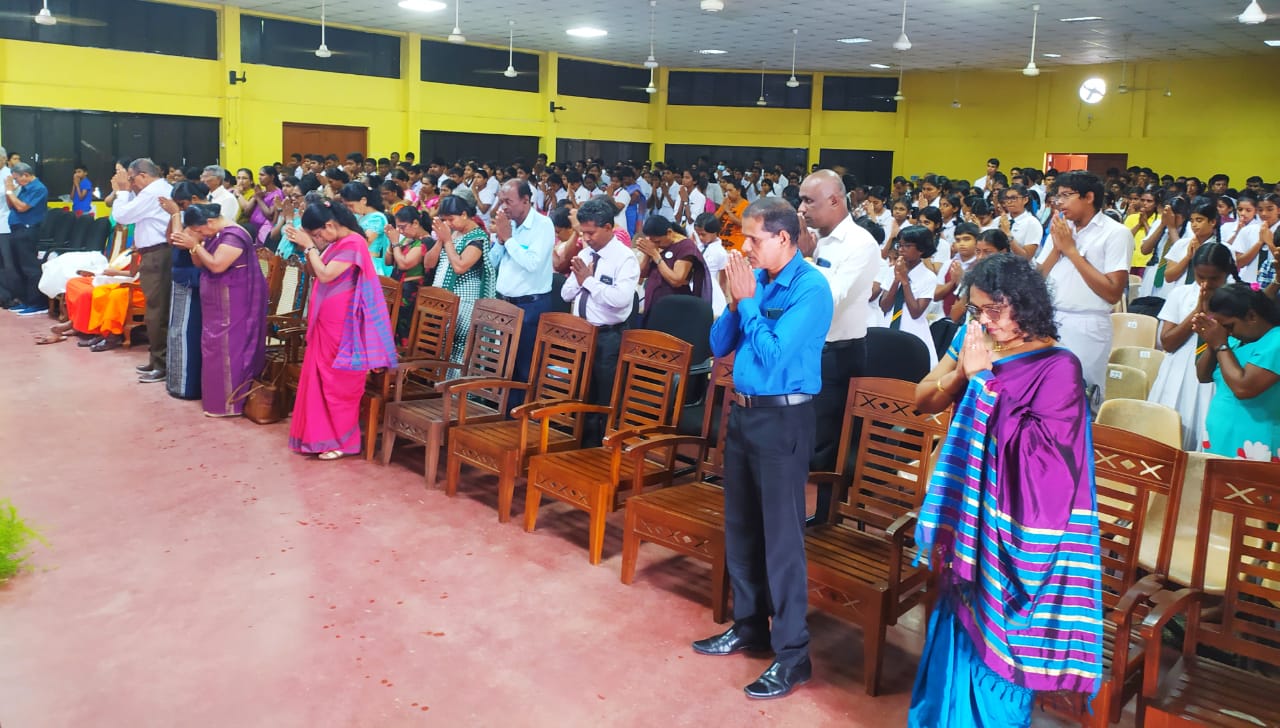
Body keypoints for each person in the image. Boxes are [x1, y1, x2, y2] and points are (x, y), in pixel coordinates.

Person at [911, 253, 1103, 727]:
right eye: (976, 310)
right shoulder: (973, 339)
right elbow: (921, 399)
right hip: (969, 515)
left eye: (994, 311)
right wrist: (963, 372)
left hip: (1014, 526)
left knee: (1003, 640)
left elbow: (1045, 459)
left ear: (1026, 306)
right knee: (957, 621)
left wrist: (982, 381)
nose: (984, 320)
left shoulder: (1059, 366)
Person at [695, 196, 832, 700]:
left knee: (781, 540)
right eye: (743, 239)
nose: (745, 248)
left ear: (784, 239)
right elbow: (717, 345)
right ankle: (750, 626)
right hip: (745, 414)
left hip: (784, 418)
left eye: (753, 239)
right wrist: (736, 300)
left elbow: (773, 357)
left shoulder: (811, 289)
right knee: (742, 528)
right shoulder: (758, 281)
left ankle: (793, 653)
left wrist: (749, 300)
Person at [284, 199, 397, 460]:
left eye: (318, 233)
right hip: (326, 321)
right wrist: (307, 249)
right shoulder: (336, 243)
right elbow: (314, 271)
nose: (318, 238)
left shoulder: (354, 242)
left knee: (339, 382)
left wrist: (310, 246)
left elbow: (325, 275)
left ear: (330, 224)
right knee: (320, 379)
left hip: (343, 325)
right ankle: (320, 437)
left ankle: (344, 442)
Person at [796, 169, 881, 473]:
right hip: (803, 347)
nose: (801, 209)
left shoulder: (861, 244)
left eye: (809, 201)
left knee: (822, 441)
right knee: (796, 432)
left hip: (836, 355)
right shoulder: (811, 238)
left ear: (834, 200)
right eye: (801, 200)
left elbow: (828, 300)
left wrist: (805, 260)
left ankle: (815, 514)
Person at [1036, 171, 1131, 402]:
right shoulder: (1060, 228)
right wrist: (1058, 249)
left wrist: (1071, 251)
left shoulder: (1116, 233)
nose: (1060, 203)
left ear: (1089, 197)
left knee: (1080, 397)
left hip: (1087, 325)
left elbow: (1112, 292)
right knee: (1046, 395)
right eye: (1057, 197)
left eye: (1066, 196)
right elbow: (1036, 278)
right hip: (1050, 319)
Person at [170, 204, 268, 417]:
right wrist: (194, 246)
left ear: (210, 222)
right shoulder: (215, 234)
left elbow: (216, 265)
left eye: (200, 230)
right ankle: (215, 400)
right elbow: (199, 264)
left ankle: (232, 404)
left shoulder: (233, 235)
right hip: (217, 302)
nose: (200, 234)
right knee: (213, 347)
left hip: (236, 300)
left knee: (230, 347)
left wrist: (196, 245)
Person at [560, 196, 639, 447]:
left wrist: (589, 282)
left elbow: (619, 299)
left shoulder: (624, 258)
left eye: (591, 232)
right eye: (583, 232)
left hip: (608, 337)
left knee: (604, 399)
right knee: (581, 393)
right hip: (581, 334)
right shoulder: (585, 253)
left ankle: (602, 451)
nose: (587, 238)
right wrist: (582, 279)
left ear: (608, 227)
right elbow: (565, 293)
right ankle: (579, 446)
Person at [1148, 243, 1239, 451]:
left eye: (1214, 278)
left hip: (1216, 370)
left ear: (1227, 273)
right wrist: (1198, 310)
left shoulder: (1238, 298)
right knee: (1170, 433)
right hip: (1179, 367)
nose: (1205, 283)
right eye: (1200, 276)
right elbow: (1167, 342)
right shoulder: (1180, 294)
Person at [1193, 282, 1280, 460]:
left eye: (1229, 326)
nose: (1227, 332)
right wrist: (1212, 342)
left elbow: (1244, 388)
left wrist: (1220, 343)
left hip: (1257, 441)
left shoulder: (1276, 340)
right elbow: (1203, 376)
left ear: (1251, 316)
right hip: (1220, 435)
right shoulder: (1231, 340)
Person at [490, 179, 555, 408]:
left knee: (526, 367)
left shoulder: (543, 225)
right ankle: (505, 417)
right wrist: (500, 240)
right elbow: (492, 262)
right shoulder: (508, 225)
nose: (503, 206)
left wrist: (508, 239)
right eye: (501, 201)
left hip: (531, 306)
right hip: (505, 305)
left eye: (508, 201)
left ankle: (526, 420)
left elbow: (532, 264)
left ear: (526, 201)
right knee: (505, 365)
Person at [110, 158, 174, 383]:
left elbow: (121, 216)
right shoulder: (156, 189)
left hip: (158, 255)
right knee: (154, 310)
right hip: (154, 254)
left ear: (144, 175)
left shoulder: (152, 193)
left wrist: (121, 192)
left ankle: (162, 364)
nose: (130, 183)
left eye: (131, 178)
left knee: (157, 311)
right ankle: (156, 360)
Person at [429, 194, 495, 363]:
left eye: (451, 219)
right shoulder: (452, 235)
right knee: (443, 348)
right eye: (445, 220)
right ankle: (440, 386)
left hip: (465, 303)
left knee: (459, 347)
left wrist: (447, 241)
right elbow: (428, 263)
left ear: (464, 215)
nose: (448, 224)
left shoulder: (478, 237)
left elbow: (460, 266)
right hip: (446, 301)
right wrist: (440, 241)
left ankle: (457, 387)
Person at [160, 181, 209, 397]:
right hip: (181, 276)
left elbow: (182, 241)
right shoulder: (189, 214)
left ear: (195, 200)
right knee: (176, 331)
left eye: (182, 204)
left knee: (188, 332)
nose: (180, 208)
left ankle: (187, 386)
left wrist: (175, 215)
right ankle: (176, 382)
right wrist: (175, 216)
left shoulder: (206, 216)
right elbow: (171, 238)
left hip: (193, 278)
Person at [634, 215, 710, 327]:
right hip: (653, 304)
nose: (656, 244)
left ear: (669, 232)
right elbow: (641, 275)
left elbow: (676, 280)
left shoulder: (686, 246)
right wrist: (647, 254)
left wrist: (655, 255)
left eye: (658, 241)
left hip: (674, 307)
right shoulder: (656, 245)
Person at [879, 225, 939, 366]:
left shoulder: (928, 276)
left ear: (921, 249)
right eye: (899, 245)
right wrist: (896, 279)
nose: (901, 249)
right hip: (888, 326)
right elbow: (884, 305)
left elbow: (916, 312)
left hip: (913, 331)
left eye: (907, 246)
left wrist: (905, 282)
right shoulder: (891, 271)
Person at [384, 206, 437, 344]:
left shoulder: (427, 241)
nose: (401, 231)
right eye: (398, 228)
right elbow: (388, 261)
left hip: (410, 295)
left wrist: (396, 242)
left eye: (403, 227)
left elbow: (404, 264)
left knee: (404, 331)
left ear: (415, 223)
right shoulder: (406, 240)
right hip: (396, 291)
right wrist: (392, 242)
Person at [1, 163, 49, 314]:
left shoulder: (38, 188)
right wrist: (11, 191)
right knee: (20, 267)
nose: (16, 182)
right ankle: (26, 301)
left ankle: (37, 303)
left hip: (28, 230)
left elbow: (22, 207)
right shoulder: (23, 187)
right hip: (16, 230)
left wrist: (10, 190)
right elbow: (12, 205)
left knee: (30, 268)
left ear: (25, 175)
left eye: (17, 179)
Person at [692, 213, 729, 317]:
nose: (700, 237)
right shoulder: (698, 245)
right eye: (698, 234)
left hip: (709, 289)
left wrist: (723, 295)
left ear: (714, 232)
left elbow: (723, 280)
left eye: (703, 234)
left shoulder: (721, 253)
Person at [715, 179, 748, 251]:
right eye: (726, 191)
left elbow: (742, 223)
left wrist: (728, 211)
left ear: (738, 191)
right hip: (721, 241)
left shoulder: (746, 205)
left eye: (730, 190)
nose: (728, 193)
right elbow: (714, 220)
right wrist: (722, 210)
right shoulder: (726, 202)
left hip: (736, 242)